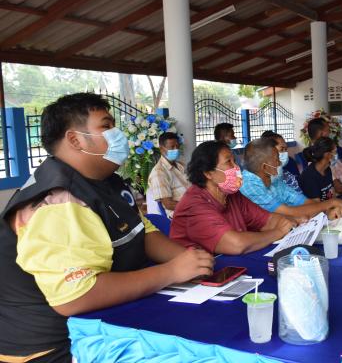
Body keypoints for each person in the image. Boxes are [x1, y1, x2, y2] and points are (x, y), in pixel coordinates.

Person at [0, 94, 214, 362]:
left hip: (99, 324)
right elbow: (75, 296)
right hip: (53, 347)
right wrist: (171, 271)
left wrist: (189, 260)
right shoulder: (59, 201)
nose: (117, 134)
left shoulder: (106, 181)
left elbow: (142, 231)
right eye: (106, 126)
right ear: (75, 140)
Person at [169, 141, 295, 255]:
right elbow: (236, 245)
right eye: (228, 162)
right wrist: (278, 232)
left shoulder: (231, 195)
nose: (236, 168)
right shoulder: (194, 205)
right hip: (199, 269)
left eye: (235, 161)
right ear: (208, 173)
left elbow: (267, 220)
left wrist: (286, 223)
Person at [240, 138, 342, 220]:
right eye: (277, 160)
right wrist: (331, 203)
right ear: (265, 167)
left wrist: (328, 211)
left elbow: (305, 202)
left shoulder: (275, 180)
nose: (280, 163)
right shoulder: (249, 185)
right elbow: (289, 212)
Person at [307, 117, 342, 194]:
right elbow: (339, 188)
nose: (330, 132)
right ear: (321, 134)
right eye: (328, 130)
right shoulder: (321, 160)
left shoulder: (330, 154)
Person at [147, 132, 190, 218]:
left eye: (177, 146)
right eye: (172, 147)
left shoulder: (180, 165)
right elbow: (168, 204)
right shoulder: (159, 172)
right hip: (180, 215)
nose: (176, 150)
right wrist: (193, 208)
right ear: (161, 149)